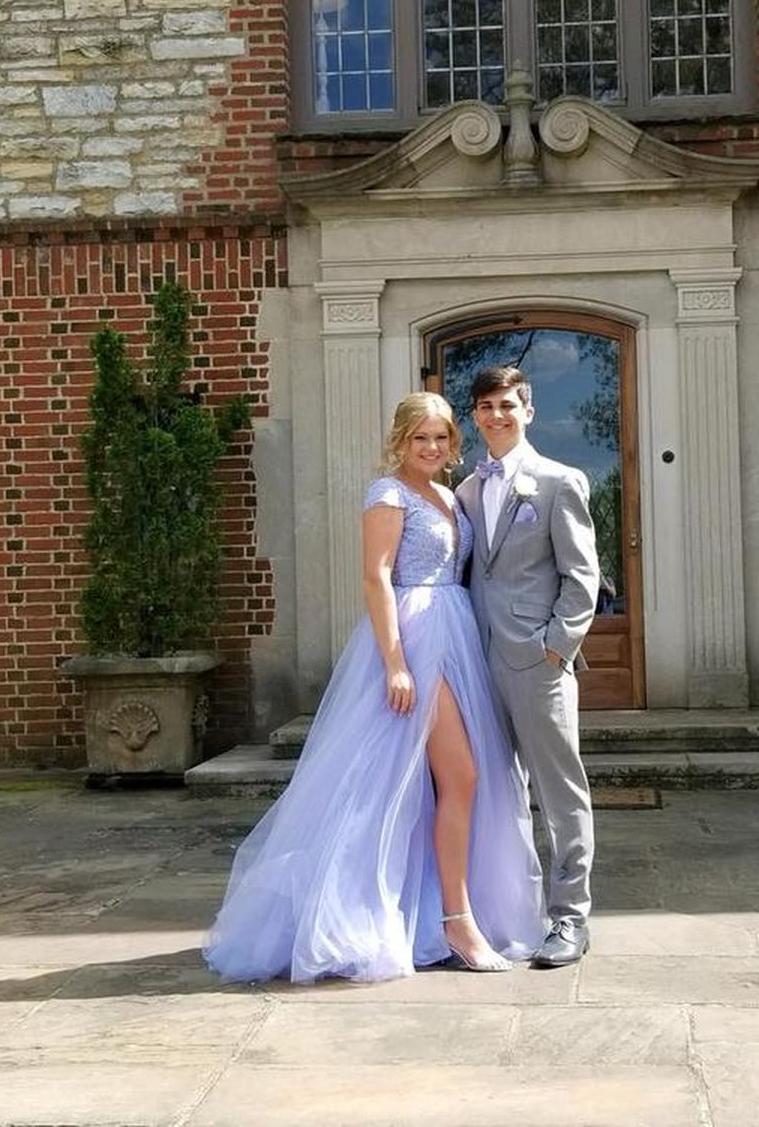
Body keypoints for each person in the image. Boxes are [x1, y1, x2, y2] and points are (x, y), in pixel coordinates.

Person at [203, 392, 545, 983]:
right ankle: (457, 922)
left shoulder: (450, 495)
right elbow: (376, 577)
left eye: (441, 437)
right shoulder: (387, 493)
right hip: (417, 638)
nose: (431, 447)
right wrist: (396, 662)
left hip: (458, 632)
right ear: (400, 441)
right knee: (455, 777)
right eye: (420, 438)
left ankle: (442, 913)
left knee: (442, 786)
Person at [456, 366, 600, 968]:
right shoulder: (466, 490)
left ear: (528, 412)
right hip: (476, 660)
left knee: (559, 791)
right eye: (486, 406)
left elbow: (582, 576)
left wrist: (556, 648)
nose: (497, 416)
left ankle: (570, 918)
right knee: (493, 789)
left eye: (507, 405)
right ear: (475, 415)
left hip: (537, 665)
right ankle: (510, 913)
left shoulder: (558, 481)